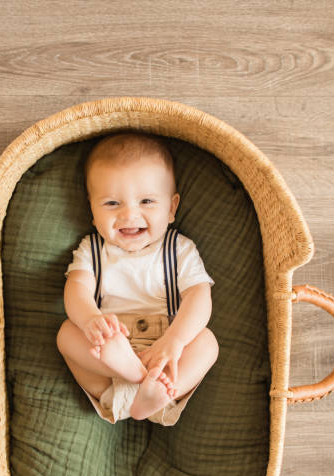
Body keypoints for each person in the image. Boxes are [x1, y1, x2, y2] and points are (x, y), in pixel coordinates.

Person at [56, 131, 218, 426]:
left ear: (171, 208)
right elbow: (77, 288)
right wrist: (91, 319)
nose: (130, 214)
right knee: (67, 334)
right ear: (91, 211)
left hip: (167, 352)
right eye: (111, 204)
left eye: (146, 201)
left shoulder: (179, 249)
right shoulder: (91, 250)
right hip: (110, 358)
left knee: (207, 342)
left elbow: (199, 296)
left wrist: (175, 341)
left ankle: (160, 391)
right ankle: (136, 379)